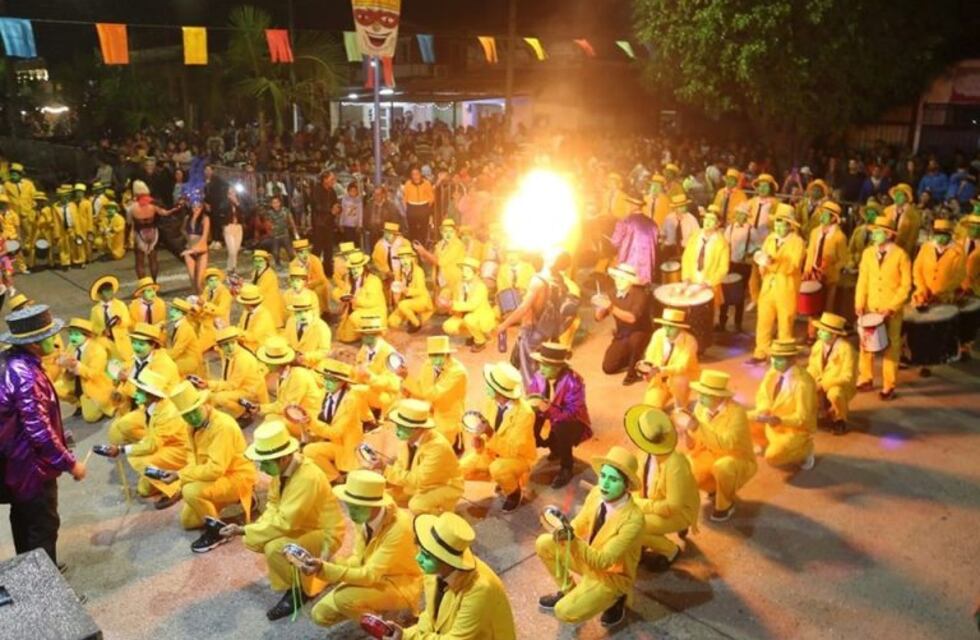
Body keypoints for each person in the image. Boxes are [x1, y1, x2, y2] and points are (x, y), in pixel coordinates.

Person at [219, 419, 345, 621]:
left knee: (275, 548)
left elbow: (286, 521)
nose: (262, 468)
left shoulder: (307, 477)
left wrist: (245, 530)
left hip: (324, 532)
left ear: (284, 458)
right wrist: (255, 529)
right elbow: (273, 503)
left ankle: (301, 589)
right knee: (260, 539)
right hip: (303, 524)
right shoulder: (284, 470)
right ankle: (307, 571)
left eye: (265, 462)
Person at [0, 305, 85, 565]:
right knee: (42, 525)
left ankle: (30, 575)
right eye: (50, 336)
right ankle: (45, 584)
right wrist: (69, 463)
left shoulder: (13, 363)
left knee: (24, 520)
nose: (56, 341)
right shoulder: (25, 374)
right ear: (34, 343)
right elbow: (38, 430)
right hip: (32, 468)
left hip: (16, 466)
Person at [535, 445, 644, 628]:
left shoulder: (634, 520)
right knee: (544, 543)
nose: (605, 484)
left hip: (610, 576)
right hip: (588, 560)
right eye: (603, 476)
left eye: (613, 479)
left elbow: (603, 561)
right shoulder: (596, 493)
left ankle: (617, 598)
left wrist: (571, 539)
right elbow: (580, 523)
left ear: (626, 487)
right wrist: (563, 529)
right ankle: (569, 590)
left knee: (563, 611)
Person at [377, 511, 516, 639]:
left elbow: (455, 638)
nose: (418, 558)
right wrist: (404, 635)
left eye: (426, 556)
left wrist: (407, 637)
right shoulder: (434, 572)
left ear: (447, 560)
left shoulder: (479, 590)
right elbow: (430, 615)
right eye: (420, 551)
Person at [159, 381, 256, 551]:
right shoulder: (191, 426)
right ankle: (237, 499)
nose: (191, 418)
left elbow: (216, 469)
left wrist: (181, 476)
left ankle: (217, 533)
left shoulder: (222, 426)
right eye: (186, 415)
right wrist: (187, 475)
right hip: (212, 477)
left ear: (204, 404)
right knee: (188, 522)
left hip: (236, 476)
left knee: (190, 491)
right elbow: (191, 454)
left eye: (194, 411)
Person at [99, 369, 188, 508]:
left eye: (140, 390)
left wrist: (122, 449)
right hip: (164, 444)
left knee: (137, 458)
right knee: (144, 490)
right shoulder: (151, 406)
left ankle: (175, 488)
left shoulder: (166, 414)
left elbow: (152, 445)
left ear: (152, 395)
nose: (136, 393)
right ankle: (163, 477)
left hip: (180, 451)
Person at [624, 405, 699, 572]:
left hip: (678, 511)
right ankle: (645, 540)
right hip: (654, 503)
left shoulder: (675, 463)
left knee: (634, 526)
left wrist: (639, 505)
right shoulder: (644, 453)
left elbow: (673, 506)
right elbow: (639, 482)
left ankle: (670, 550)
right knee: (626, 519)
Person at [459, 362, 537, 512]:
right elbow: (486, 431)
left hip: (518, 458)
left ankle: (514, 493)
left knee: (498, 469)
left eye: (489, 384)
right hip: (492, 452)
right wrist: (479, 443)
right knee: (461, 469)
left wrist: (490, 434)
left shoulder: (525, 414)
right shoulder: (490, 402)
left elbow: (513, 451)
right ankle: (502, 481)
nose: (486, 386)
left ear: (500, 391)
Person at [370, 399, 464, 515]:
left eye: (402, 426)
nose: (397, 429)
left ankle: (445, 518)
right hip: (420, 484)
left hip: (445, 485)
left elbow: (419, 480)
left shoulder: (438, 447)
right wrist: (385, 478)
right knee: (383, 493)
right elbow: (401, 466)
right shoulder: (407, 440)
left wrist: (386, 470)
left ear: (418, 428)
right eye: (398, 425)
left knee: (417, 505)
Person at [685, 370, 756, 522]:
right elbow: (695, 442)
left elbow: (727, 444)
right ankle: (714, 487)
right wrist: (687, 431)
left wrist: (697, 428)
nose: (700, 398)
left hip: (735, 457)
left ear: (719, 396)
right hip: (709, 453)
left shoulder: (737, 413)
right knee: (685, 470)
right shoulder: (700, 407)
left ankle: (726, 504)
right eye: (700, 393)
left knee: (722, 468)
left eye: (705, 394)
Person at [855, 216, 912, 400]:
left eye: (878, 232)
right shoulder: (868, 253)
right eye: (874, 231)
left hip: (891, 309)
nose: (874, 234)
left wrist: (892, 307)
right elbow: (863, 280)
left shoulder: (901, 255)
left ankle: (889, 385)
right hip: (871, 306)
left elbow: (906, 286)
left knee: (891, 347)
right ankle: (866, 377)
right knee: (865, 344)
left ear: (888, 234)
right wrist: (859, 303)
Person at [524, 342, 591, 489]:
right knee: (527, 424)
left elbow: (572, 412)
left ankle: (567, 467)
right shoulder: (539, 376)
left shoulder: (574, 381)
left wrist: (549, 410)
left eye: (546, 365)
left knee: (561, 430)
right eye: (541, 364)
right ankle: (554, 449)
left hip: (570, 422)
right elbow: (531, 396)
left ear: (559, 367)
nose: (541, 368)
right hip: (546, 416)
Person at [747, 340, 817, 470]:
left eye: (780, 359)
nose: (775, 362)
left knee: (773, 457)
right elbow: (763, 394)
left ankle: (804, 450)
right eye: (774, 357)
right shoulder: (773, 372)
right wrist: (764, 409)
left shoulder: (803, 383)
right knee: (743, 418)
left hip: (793, 429)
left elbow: (803, 417)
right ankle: (765, 442)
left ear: (792, 360)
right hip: (772, 420)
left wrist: (780, 420)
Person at [750, 205, 805, 363]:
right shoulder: (770, 238)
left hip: (786, 288)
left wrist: (772, 262)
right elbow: (762, 258)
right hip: (768, 287)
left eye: (782, 224)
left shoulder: (797, 242)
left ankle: (783, 355)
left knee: (785, 322)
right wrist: (762, 263)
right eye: (777, 224)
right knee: (763, 320)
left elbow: (792, 265)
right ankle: (761, 352)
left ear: (790, 225)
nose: (779, 228)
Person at [303, 358, 374, 481]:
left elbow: (335, 432)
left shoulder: (351, 400)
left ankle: (337, 479)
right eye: (325, 378)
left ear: (343, 382)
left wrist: (311, 423)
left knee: (309, 451)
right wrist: (306, 422)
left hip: (344, 445)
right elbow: (316, 414)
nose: (327, 383)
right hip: (327, 439)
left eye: (332, 380)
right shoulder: (324, 393)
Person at [399, 335, 468, 452]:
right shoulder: (428, 365)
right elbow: (422, 389)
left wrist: (409, 381)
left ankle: (456, 440)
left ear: (447, 354)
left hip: (447, 415)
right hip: (430, 409)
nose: (435, 358)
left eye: (439, 354)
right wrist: (407, 382)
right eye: (432, 355)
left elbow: (432, 394)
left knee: (437, 447)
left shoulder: (458, 372)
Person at [256, 336, 324, 439]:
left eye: (268, 362)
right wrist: (261, 408)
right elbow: (281, 403)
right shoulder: (284, 374)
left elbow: (287, 407)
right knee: (269, 418)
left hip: (306, 419)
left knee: (272, 426)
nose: (265, 364)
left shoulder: (298, 376)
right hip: (294, 413)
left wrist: (262, 408)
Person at [597, 263, 653, 385]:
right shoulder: (612, 294)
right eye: (617, 278)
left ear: (630, 281)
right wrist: (599, 307)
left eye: (622, 278)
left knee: (635, 341)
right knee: (608, 367)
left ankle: (633, 371)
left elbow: (632, 318)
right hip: (622, 334)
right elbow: (599, 317)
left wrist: (611, 307)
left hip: (640, 332)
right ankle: (630, 357)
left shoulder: (640, 294)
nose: (618, 281)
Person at [803, 201, 849, 339]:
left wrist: (831, 268)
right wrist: (807, 269)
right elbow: (810, 252)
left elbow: (844, 259)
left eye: (826, 214)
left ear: (834, 218)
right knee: (812, 307)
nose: (822, 216)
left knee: (826, 307)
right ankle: (811, 334)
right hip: (813, 274)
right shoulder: (815, 232)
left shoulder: (839, 237)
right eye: (821, 213)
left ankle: (823, 335)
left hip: (829, 278)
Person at [54, 318, 114, 422]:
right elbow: (66, 365)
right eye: (71, 334)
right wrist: (66, 366)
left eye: (76, 334)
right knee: (55, 388)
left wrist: (77, 365)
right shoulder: (71, 347)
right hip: (76, 384)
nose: (73, 337)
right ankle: (79, 404)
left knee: (90, 417)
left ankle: (102, 404)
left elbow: (94, 374)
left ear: (87, 336)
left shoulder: (97, 350)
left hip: (93, 385)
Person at [807, 312, 857, 435]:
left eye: (823, 331)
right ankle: (820, 413)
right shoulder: (818, 345)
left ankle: (840, 419)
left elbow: (847, 377)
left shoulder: (846, 350)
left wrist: (824, 384)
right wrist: (809, 379)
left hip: (839, 385)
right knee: (806, 387)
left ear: (834, 334)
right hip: (820, 380)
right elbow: (813, 366)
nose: (819, 333)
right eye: (820, 330)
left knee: (835, 394)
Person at [639, 308, 700, 410]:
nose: (666, 329)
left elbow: (682, 366)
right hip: (659, 380)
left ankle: (681, 406)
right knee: (650, 408)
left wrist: (659, 370)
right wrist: (647, 369)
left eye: (671, 327)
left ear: (680, 327)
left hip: (680, 379)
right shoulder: (658, 334)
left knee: (679, 379)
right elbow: (650, 355)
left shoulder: (690, 341)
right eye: (664, 325)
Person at [205, 326, 269, 420]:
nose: (230, 347)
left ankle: (244, 413)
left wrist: (209, 384)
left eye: (232, 343)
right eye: (226, 345)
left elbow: (232, 385)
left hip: (250, 391)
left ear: (237, 342)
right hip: (238, 386)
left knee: (220, 398)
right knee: (211, 396)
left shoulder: (242, 359)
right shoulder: (225, 353)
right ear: (220, 347)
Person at [720, 203, 763, 331]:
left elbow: (759, 246)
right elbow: (724, 244)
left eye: (742, 214)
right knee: (725, 293)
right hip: (730, 264)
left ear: (746, 216)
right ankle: (722, 322)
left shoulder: (751, 230)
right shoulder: (730, 228)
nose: (739, 216)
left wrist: (750, 253)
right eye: (738, 214)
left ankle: (738, 323)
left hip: (743, 265)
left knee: (739, 295)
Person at [681, 204, 730, 310]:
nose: (707, 222)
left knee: (706, 315)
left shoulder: (722, 243)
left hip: (709, 287)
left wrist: (708, 283)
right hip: (691, 283)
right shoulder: (695, 237)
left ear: (718, 224)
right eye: (706, 218)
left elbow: (723, 269)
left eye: (712, 220)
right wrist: (686, 277)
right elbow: (686, 258)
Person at [333, 250, 387, 343]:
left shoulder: (373, 280)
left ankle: (373, 335)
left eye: (358, 267)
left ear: (364, 267)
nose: (355, 271)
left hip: (373, 312)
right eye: (353, 268)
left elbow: (372, 303)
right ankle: (362, 332)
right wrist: (341, 297)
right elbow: (345, 291)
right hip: (356, 310)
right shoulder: (349, 278)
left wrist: (355, 300)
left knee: (355, 317)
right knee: (345, 337)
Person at [127, 179, 177, 281]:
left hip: (140, 233)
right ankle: (154, 281)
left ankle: (143, 284)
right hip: (153, 232)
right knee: (153, 259)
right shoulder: (153, 204)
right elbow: (165, 213)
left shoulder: (132, 207)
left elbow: (129, 222)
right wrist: (176, 208)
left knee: (140, 261)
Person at [443, 257, 495, 352]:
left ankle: (480, 341)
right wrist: (447, 303)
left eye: (467, 271)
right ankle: (473, 334)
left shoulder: (480, 287)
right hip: (463, 314)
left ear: (476, 273)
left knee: (469, 319)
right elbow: (457, 299)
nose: (464, 273)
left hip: (480, 315)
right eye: (463, 270)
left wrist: (453, 304)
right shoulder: (460, 284)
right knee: (448, 326)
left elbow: (472, 305)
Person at [413, 218, 465, 313]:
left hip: (453, 282)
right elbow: (432, 260)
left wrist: (424, 252)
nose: (448, 234)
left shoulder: (458, 245)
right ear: (441, 233)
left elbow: (440, 262)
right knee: (439, 309)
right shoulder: (440, 244)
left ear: (455, 233)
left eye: (451, 232)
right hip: (440, 280)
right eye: (445, 232)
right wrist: (422, 254)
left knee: (449, 308)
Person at [912, 219, 966, 306]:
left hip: (945, 298)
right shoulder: (926, 247)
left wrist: (942, 291)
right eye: (938, 233)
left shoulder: (958, 251)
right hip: (922, 295)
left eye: (944, 234)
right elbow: (917, 268)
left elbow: (960, 275)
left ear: (950, 234)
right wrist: (922, 287)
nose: (940, 237)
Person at [387, 245, 433, 332]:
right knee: (392, 321)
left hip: (420, 300)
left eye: (406, 258)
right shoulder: (399, 272)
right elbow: (396, 288)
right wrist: (396, 293)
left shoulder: (418, 271)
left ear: (411, 258)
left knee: (403, 305)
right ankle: (409, 318)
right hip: (406, 302)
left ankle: (416, 323)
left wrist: (407, 290)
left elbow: (421, 291)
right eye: (402, 258)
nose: (404, 261)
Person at [89, 274, 134, 362]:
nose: (110, 293)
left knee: (126, 362)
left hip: (121, 341)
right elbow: (93, 326)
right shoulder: (95, 310)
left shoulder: (120, 305)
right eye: (106, 291)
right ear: (100, 294)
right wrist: (101, 331)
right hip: (105, 342)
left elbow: (128, 321)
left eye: (111, 290)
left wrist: (120, 322)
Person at [282, 298, 332, 367]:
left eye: (306, 311)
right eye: (298, 312)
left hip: (311, 365)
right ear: (294, 313)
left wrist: (306, 357)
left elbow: (324, 351)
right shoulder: (291, 321)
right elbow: (286, 340)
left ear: (312, 311)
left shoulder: (321, 327)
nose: (302, 315)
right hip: (291, 361)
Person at [291, 238, 331, 314]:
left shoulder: (315, 260)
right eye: (301, 252)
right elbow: (292, 279)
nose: (304, 255)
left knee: (319, 289)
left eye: (306, 251)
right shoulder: (293, 264)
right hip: (301, 286)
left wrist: (308, 286)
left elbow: (321, 279)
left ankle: (323, 312)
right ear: (296, 253)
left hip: (316, 285)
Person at [198, 267, 233, 352]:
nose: (214, 282)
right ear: (207, 282)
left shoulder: (224, 292)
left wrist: (206, 305)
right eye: (211, 280)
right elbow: (203, 299)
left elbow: (221, 311)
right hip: (208, 318)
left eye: (216, 280)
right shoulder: (207, 289)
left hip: (219, 321)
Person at [181, 198, 211, 294]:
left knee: (199, 282)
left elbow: (204, 238)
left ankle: (203, 299)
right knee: (193, 281)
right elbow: (182, 229)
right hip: (189, 250)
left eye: (199, 207)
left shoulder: (205, 219)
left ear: (202, 207)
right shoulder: (187, 218)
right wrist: (188, 238)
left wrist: (193, 249)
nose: (196, 209)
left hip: (201, 250)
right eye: (194, 207)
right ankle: (196, 300)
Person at [166, 298, 203, 376]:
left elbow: (178, 350)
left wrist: (164, 358)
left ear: (183, 314)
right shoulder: (179, 324)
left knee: (167, 368)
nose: (171, 313)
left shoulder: (185, 329)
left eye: (176, 311)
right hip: (182, 356)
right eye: (172, 310)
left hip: (190, 360)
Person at [235, 283, 277, 353]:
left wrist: (236, 333)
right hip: (248, 345)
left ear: (248, 304)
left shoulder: (264, 316)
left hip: (262, 349)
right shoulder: (246, 311)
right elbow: (240, 326)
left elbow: (253, 336)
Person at [883, 183, 921, 257]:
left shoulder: (913, 215)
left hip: (902, 251)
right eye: (896, 195)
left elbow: (912, 238)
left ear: (906, 198)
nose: (897, 197)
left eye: (900, 195)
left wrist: (903, 254)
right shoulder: (887, 210)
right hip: (885, 247)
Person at [259, 195, 298, 266]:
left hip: (285, 235)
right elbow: (266, 224)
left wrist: (295, 232)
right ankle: (278, 265)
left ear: (280, 203)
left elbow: (291, 221)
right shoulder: (269, 213)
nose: (275, 204)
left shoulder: (285, 210)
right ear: (271, 204)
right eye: (273, 203)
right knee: (275, 253)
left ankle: (293, 264)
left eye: (277, 202)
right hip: (275, 236)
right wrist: (270, 231)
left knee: (290, 252)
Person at [310, 172, 340, 267]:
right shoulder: (316, 190)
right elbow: (316, 206)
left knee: (329, 248)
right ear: (325, 179)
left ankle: (327, 269)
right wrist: (330, 210)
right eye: (332, 179)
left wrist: (338, 209)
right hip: (319, 223)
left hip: (330, 222)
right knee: (317, 247)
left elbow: (336, 204)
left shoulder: (332, 191)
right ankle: (313, 268)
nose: (334, 181)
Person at [250, 249, 286, 327]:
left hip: (269, 303)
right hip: (260, 300)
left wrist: (245, 289)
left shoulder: (270, 275)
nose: (258, 264)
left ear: (266, 261)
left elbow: (259, 290)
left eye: (260, 261)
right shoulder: (255, 272)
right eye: (256, 261)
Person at [661, 194, 699, 261]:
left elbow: (697, 237)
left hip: (686, 250)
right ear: (675, 208)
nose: (683, 208)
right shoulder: (669, 218)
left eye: (684, 206)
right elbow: (663, 234)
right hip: (670, 249)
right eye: (680, 207)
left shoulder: (692, 220)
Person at [404, 166, 436, 243]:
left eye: (417, 174)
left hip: (423, 207)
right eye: (413, 174)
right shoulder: (408, 184)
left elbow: (431, 197)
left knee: (423, 230)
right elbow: (405, 198)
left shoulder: (427, 183)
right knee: (412, 230)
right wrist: (408, 208)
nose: (415, 176)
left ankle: (423, 245)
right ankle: (413, 245)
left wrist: (427, 207)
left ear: (420, 174)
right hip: (411, 208)